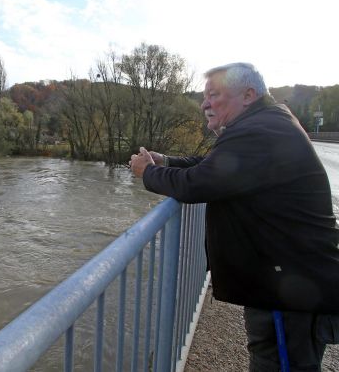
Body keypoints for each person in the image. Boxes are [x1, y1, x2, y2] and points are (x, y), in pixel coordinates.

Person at [130, 63, 339, 371]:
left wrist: (148, 172)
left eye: (213, 95)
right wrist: (167, 161)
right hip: (290, 283)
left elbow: (198, 183)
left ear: (248, 95)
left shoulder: (259, 131)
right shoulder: (268, 122)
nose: (204, 104)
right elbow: (215, 166)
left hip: (291, 295)